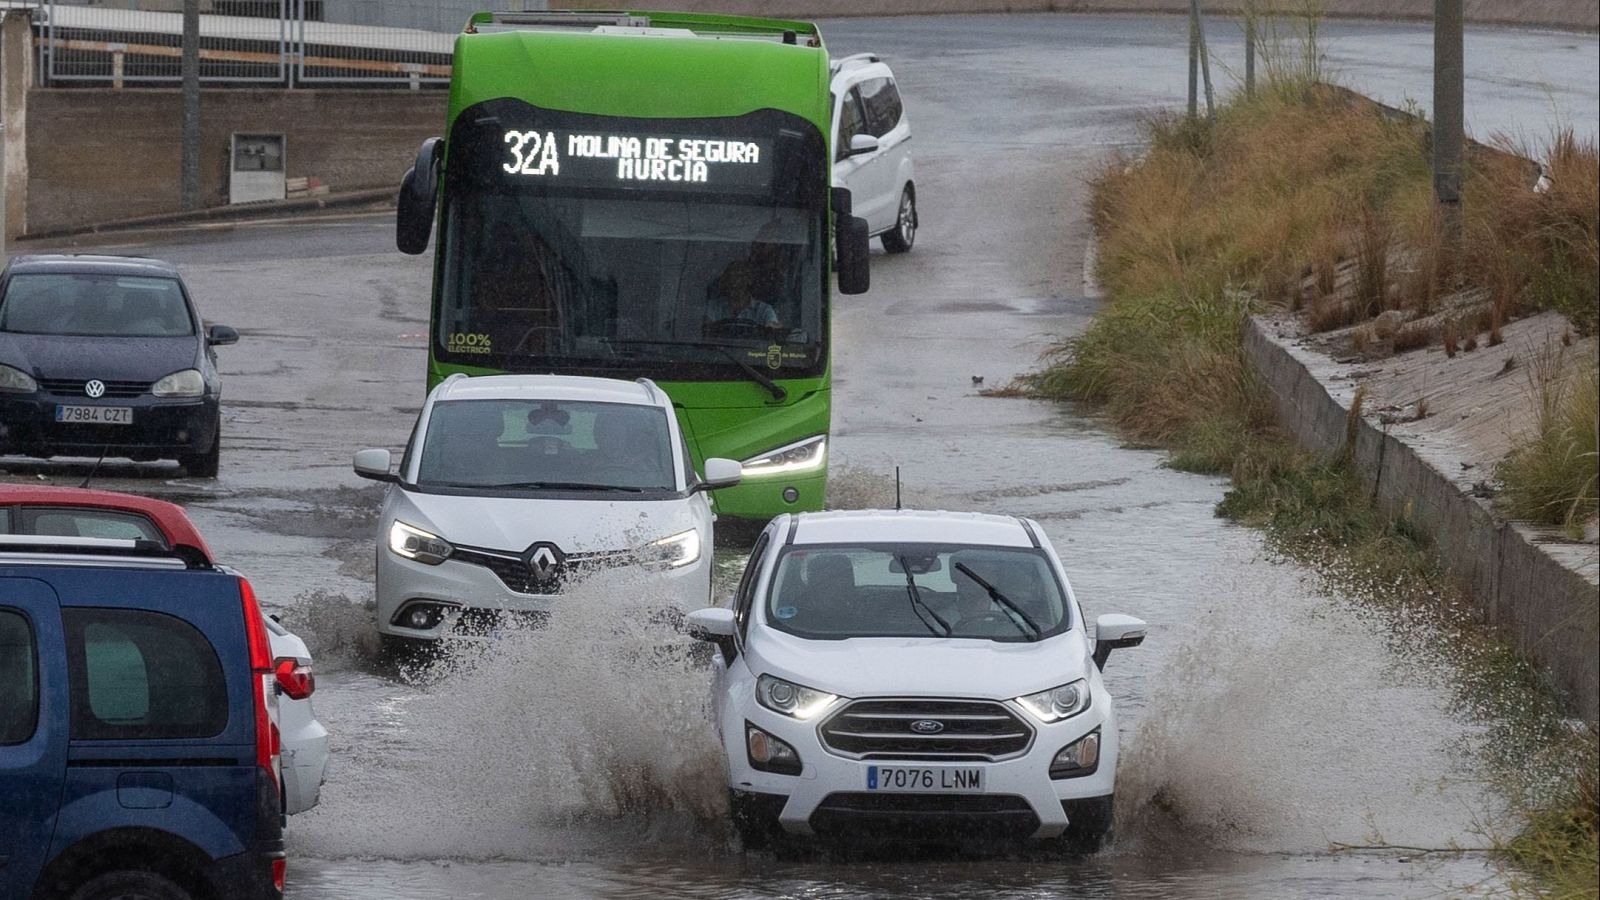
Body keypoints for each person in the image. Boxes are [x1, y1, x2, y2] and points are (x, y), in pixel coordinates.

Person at [705, 258, 779, 330]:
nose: (734, 281)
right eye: (730, 276)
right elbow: (705, 330)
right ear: (725, 281)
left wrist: (771, 328)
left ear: (749, 280)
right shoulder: (714, 307)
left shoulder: (764, 310)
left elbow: (773, 330)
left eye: (739, 276)